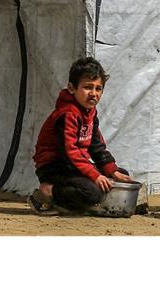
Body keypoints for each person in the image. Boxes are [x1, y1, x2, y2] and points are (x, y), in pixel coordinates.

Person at [28, 57, 132, 214]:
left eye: (98, 88)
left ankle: (83, 200)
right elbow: (69, 152)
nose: (93, 94)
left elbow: (96, 146)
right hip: (55, 167)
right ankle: (48, 192)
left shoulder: (89, 112)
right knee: (92, 192)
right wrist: (94, 175)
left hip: (72, 165)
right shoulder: (67, 114)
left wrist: (111, 170)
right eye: (88, 87)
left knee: (120, 175)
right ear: (71, 88)